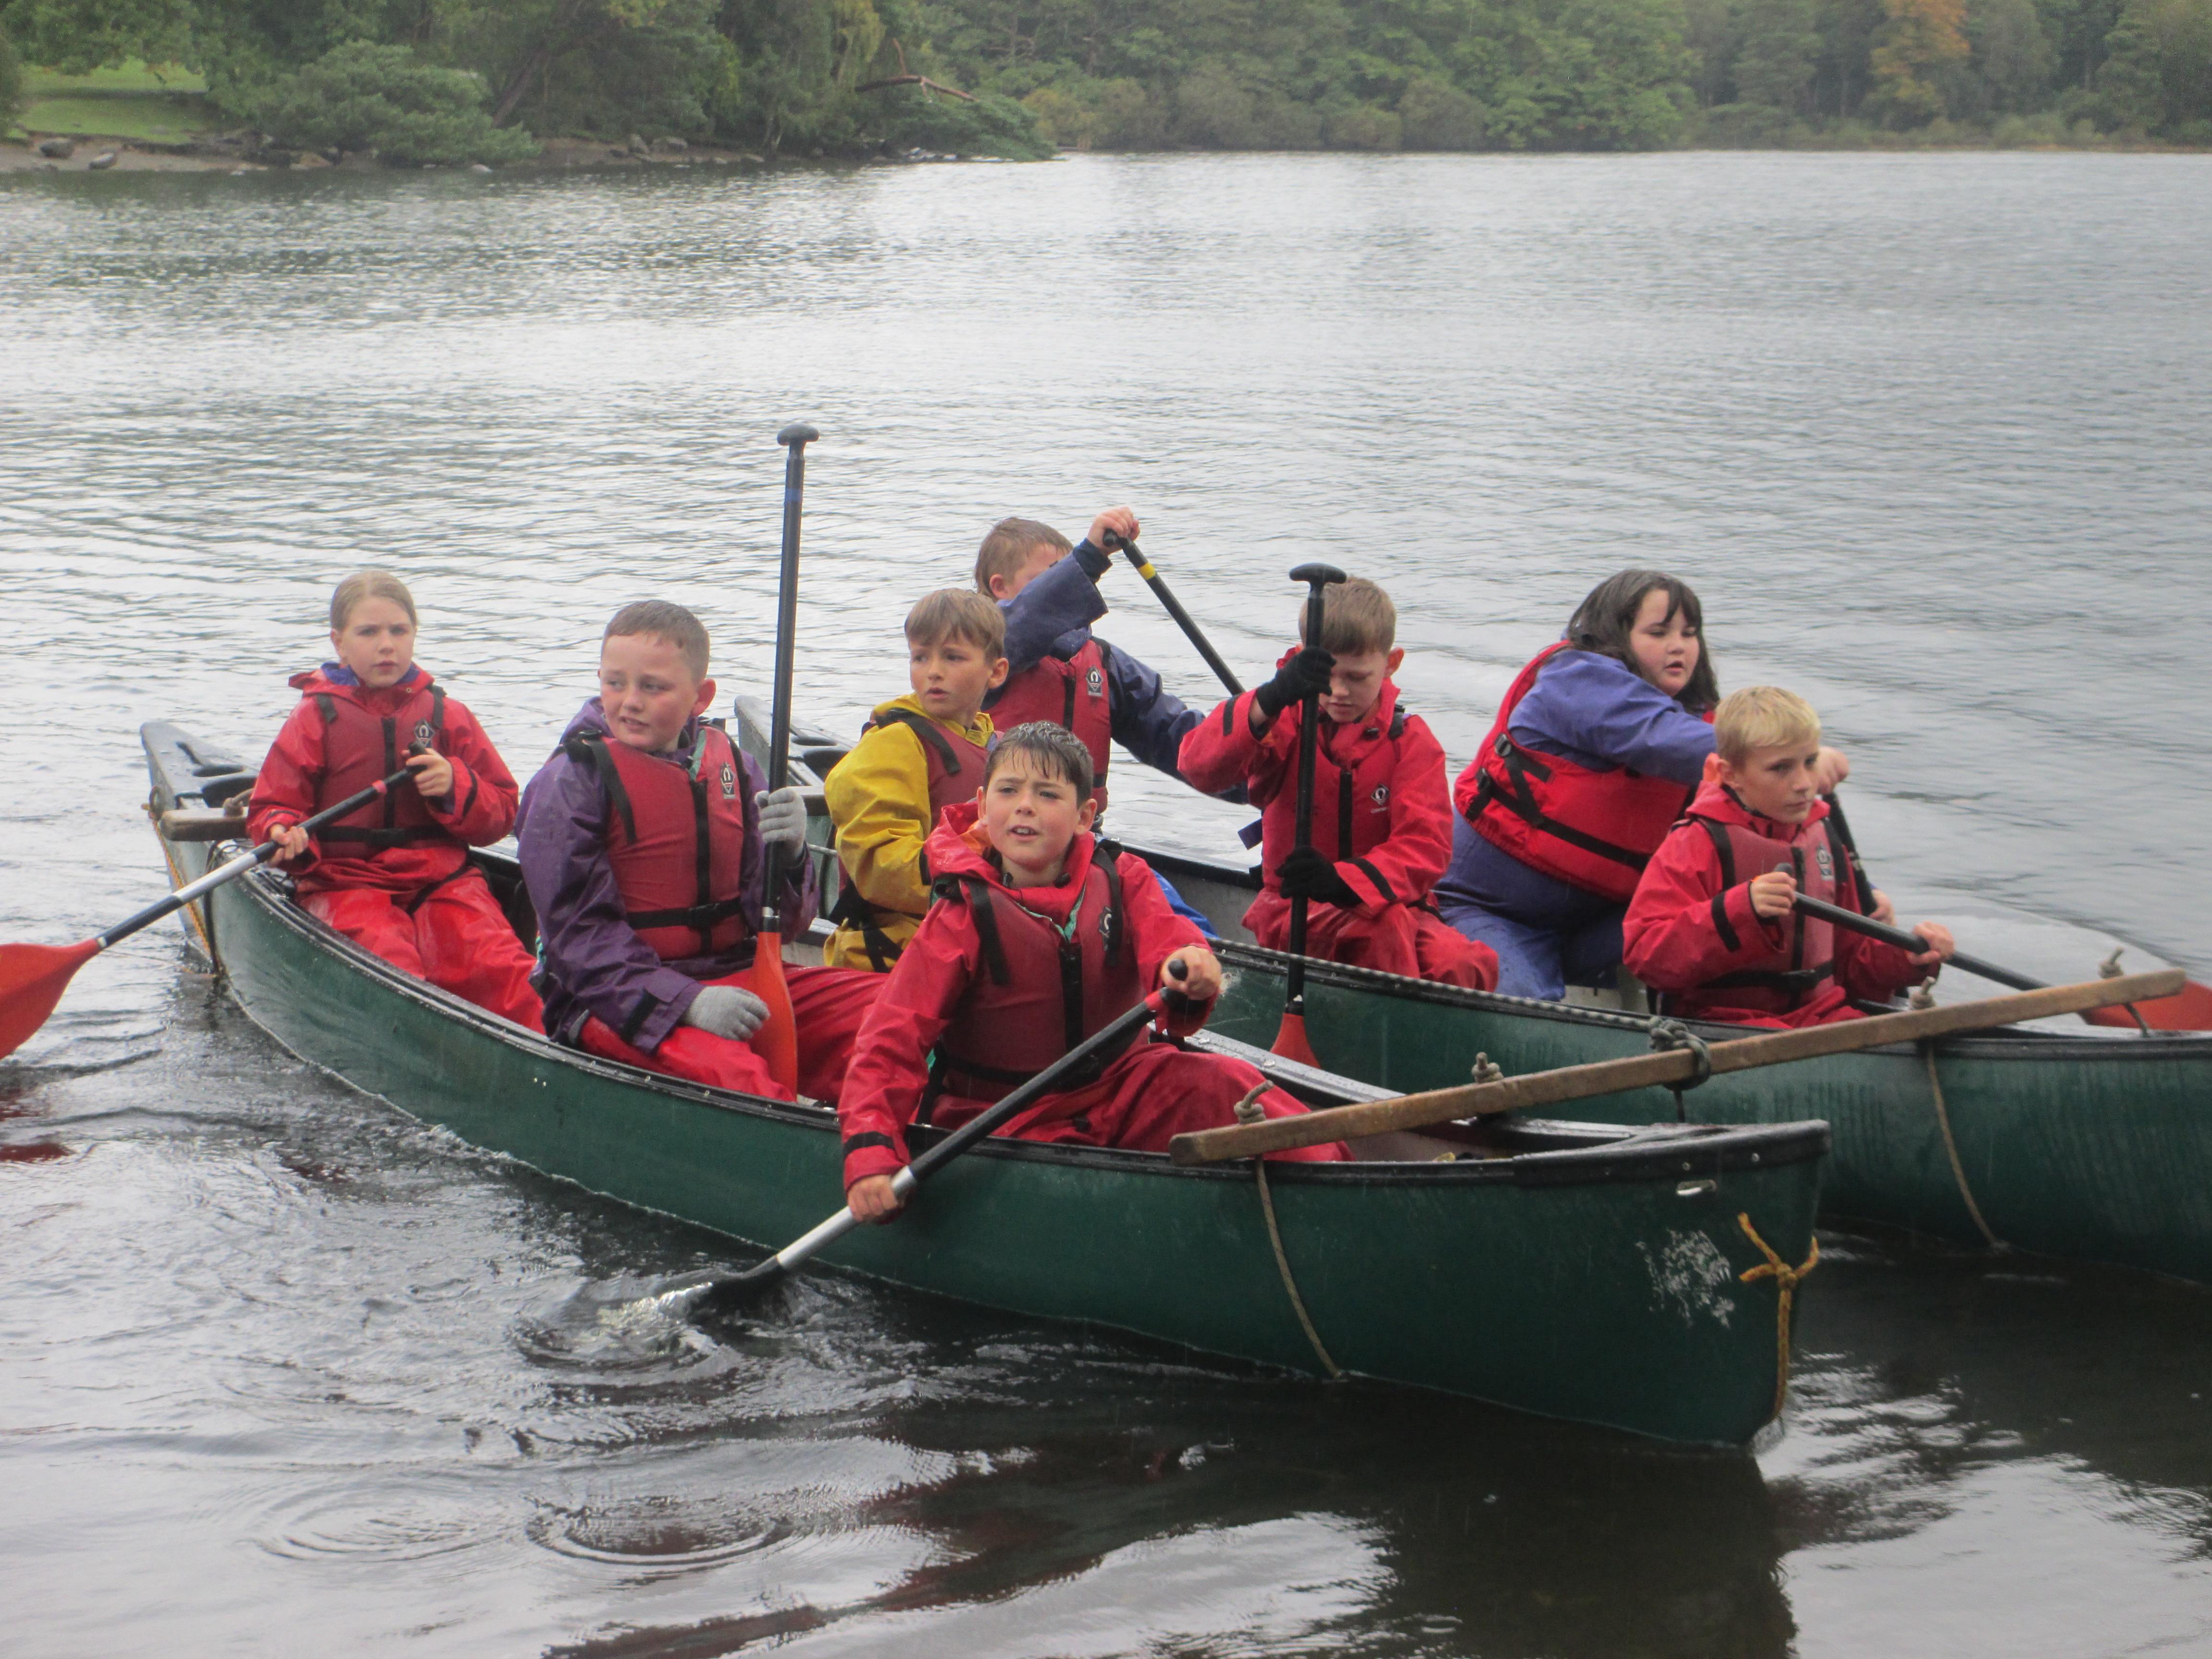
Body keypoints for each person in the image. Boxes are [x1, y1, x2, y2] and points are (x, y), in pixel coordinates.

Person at [840, 722, 1347, 1223]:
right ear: (982, 805)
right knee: (1066, 1175)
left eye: (1047, 794)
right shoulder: (959, 915)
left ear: (1085, 816)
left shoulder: (1124, 877)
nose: (1024, 806)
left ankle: (1344, 1185)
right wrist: (870, 1154)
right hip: (1005, 1116)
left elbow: (1170, 939)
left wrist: (1193, 966)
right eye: (1008, 791)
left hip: (1122, 1085)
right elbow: (890, 1039)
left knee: (1226, 1081)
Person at [1436, 569, 1859, 1001]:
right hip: (1496, 910)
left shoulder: (1704, 724)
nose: (1679, 646)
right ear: (1614, 635)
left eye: (1689, 634)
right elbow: (1660, 738)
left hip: (1601, 923)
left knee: (1732, 921)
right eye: (1658, 633)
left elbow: (1769, 826)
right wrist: (1791, 754)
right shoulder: (1575, 681)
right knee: (1518, 1006)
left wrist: (1862, 899)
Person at [518, 601, 877, 1101]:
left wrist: (795, 855)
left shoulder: (735, 767)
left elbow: (783, 925)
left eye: (653, 687)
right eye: (615, 683)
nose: (630, 702)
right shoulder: (570, 782)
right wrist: (686, 1003)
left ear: (700, 697)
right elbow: (580, 942)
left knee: (892, 1013)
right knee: (739, 1080)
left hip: (739, 975)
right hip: (612, 1001)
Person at [248, 569, 543, 1031]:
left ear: (414, 635)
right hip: (345, 883)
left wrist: (455, 784)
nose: (386, 645)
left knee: (500, 965)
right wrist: (282, 829)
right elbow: (272, 804)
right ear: (339, 643)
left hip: (440, 879)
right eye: (368, 632)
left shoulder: (448, 714)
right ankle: (422, 1044)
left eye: (398, 631)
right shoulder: (314, 718)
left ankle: (549, 1047)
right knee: (391, 964)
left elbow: (504, 812)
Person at [1175, 577, 1498, 988]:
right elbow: (1198, 767)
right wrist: (1269, 699)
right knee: (1382, 932)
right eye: (1329, 676)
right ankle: (1384, 1026)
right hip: (1293, 909)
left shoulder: (1411, 741)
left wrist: (1344, 881)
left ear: (1392, 663)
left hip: (1389, 904)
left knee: (1466, 964)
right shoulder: (1284, 720)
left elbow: (1425, 847)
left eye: (1358, 677)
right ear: (1303, 659)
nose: (1340, 692)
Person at [1623, 686, 1954, 1028]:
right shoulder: (1695, 842)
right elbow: (1646, 957)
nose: (1804, 784)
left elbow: (1851, 968)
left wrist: (1907, 956)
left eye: (1810, 762)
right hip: (1724, 1024)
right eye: (1781, 768)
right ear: (1732, 775)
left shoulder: (1824, 839)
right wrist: (1741, 910)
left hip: (1820, 1018)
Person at [979, 508, 1206, 815]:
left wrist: (1250, 739)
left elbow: (1174, 733)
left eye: (1065, 573)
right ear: (1000, 587)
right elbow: (1022, 623)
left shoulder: (1103, 662)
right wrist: (1089, 558)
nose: (1061, 585)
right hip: (996, 825)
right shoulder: (984, 653)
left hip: (1081, 826)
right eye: (1052, 577)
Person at [822, 589, 1004, 971]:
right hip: (895, 954)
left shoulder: (995, 745)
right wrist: (977, 855)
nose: (933, 671)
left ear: (996, 672)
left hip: (967, 939)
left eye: (953, 657)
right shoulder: (895, 742)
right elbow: (879, 867)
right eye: (920, 657)